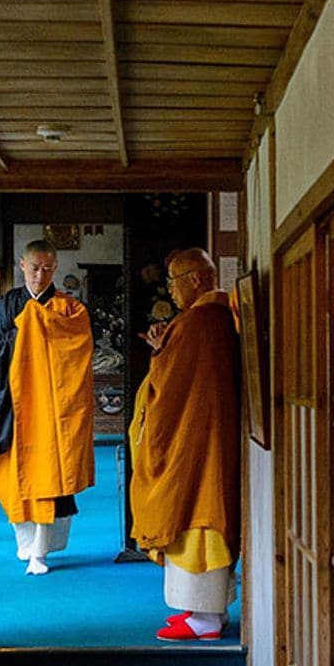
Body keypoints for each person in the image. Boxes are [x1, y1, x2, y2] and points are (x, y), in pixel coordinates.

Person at [129, 248, 242, 641]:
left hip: (195, 442)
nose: (172, 293)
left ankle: (207, 618)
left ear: (196, 279)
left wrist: (159, 355)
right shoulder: (211, 317)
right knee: (198, 513)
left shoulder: (202, 322)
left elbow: (171, 386)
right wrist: (164, 351)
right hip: (202, 436)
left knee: (197, 517)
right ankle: (203, 610)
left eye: (175, 283)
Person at [0, 239, 95, 576]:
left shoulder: (71, 311)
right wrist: (25, 333)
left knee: (49, 481)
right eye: (34, 267)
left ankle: (41, 550)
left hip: (53, 413)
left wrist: (38, 328)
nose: (40, 275)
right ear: (22, 265)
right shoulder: (2, 308)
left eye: (47, 268)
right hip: (12, 408)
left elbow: (77, 352)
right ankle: (26, 546)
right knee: (13, 481)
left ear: (56, 268)